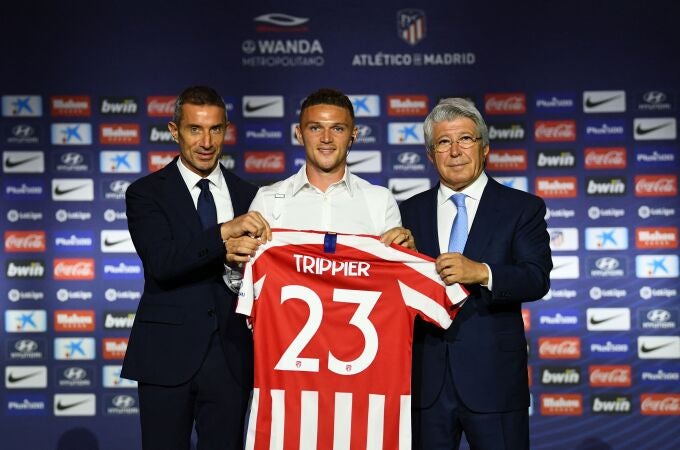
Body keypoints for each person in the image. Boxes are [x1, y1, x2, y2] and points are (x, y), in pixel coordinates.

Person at [122, 85, 271, 450]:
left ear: (226, 130)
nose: (206, 141)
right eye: (194, 129)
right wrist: (224, 234)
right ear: (175, 131)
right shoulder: (145, 193)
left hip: (231, 356)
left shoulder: (252, 195)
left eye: (215, 129)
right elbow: (163, 262)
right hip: (165, 356)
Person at [399, 98, 552, 450]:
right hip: (425, 383)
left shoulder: (521, 208)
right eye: (443, 142)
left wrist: (482, 272)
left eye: (465, 139)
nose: (455, 151)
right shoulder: (405, 213)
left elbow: (535, 278)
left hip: (494, 383)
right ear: (430, 153)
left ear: (484, 149)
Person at [249, 87, 412, 245]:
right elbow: (246, 269)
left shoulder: (381, 201)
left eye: (337, 129)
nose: (326, 138)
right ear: (299, 134)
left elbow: (394, 270)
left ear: (353, 135)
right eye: (315, 128)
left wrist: (409, 253)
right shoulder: (266, 200)